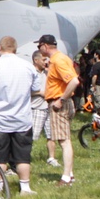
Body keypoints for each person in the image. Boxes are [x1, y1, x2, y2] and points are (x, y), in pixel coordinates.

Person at [0, 36, 39, 195]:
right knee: (23, 156)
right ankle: (25, 186)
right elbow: (36, 88)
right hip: (22, 118)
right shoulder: (27, 66)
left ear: (0, 47)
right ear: (16, 48)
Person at [38, 34, 80, 186]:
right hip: (62, 102)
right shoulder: (62, 58)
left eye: (39, 46)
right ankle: (70, 174)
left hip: (59, 104)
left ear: (45, 46)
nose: (39, 49)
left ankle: (67, 177)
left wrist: (60, 100)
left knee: (64, 141)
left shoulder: (58, 60)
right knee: (65, 139)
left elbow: (74, 81)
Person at [30, 50, 58, 167]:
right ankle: (25, 158)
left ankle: (51, 158)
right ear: (36, 60)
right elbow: (25, 90)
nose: (45, 62)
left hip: (48, 107)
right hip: (36, 108)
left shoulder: (47, 73)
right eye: (43, 59)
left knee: (51, 135)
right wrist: (40, 93)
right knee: (32, 135)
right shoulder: (30, 73)